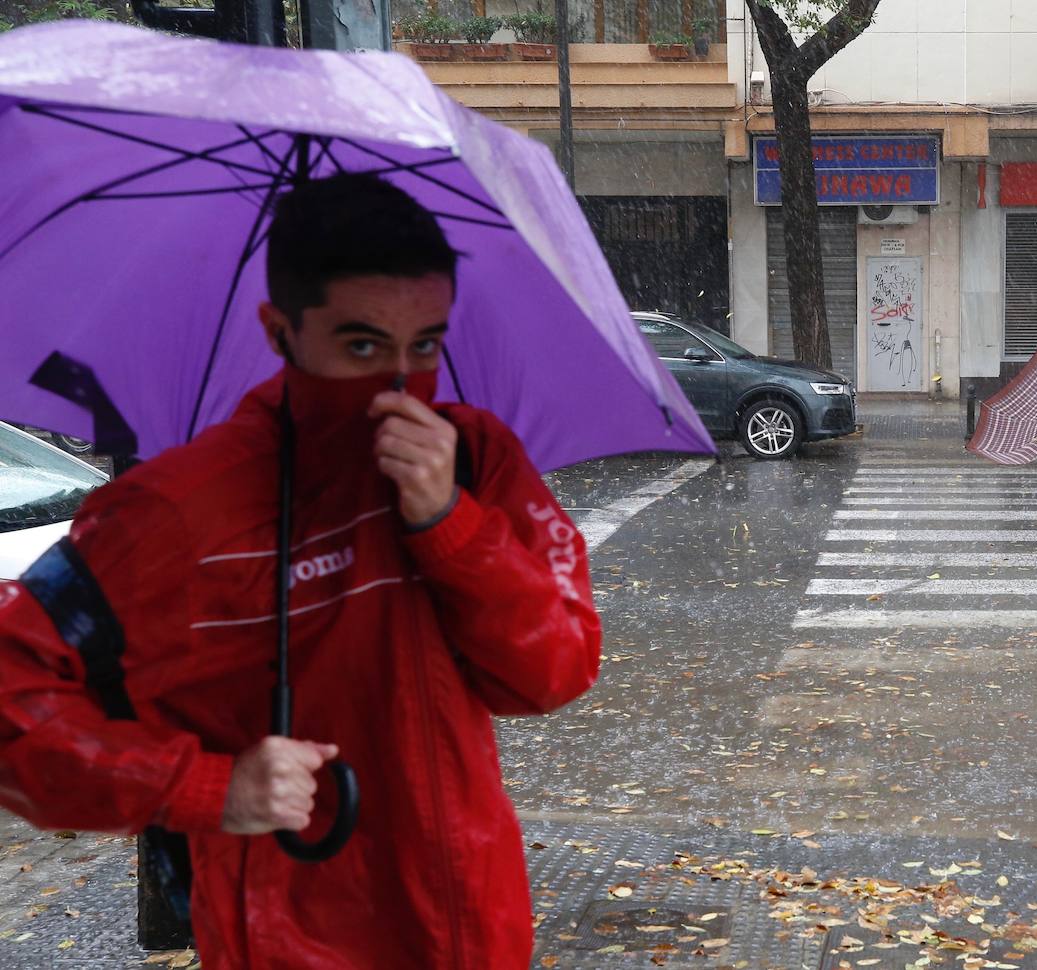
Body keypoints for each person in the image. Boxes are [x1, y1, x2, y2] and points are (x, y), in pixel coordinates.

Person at [0, 173, 601, 967]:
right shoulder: (179, 512)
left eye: (424, 345)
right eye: (360, 345)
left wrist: (448, 526)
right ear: (279, 331)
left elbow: (554, 670)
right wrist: (208, 789)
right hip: (294, 940)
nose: (397, 382)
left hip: (474, 927)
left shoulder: (473, 458)